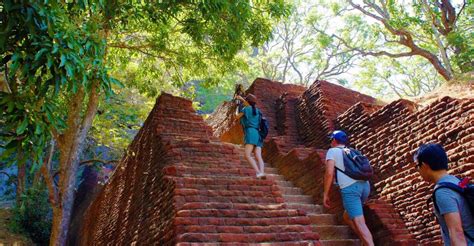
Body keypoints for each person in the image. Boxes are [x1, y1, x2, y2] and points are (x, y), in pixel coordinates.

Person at [414, 143, 474, 245]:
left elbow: (457, 233)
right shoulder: (456, 181)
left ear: (424, 165)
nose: (418, 171)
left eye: (417, 166)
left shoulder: (442, 192)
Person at [323, 130, 374, 246]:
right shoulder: (352, 151)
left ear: (334, 140)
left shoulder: (332, 151)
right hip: (365, 186)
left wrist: (325, 194)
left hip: (351, 189)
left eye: (331, 139)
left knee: (360, 222)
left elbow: (329, 173)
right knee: (347, 216)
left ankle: (369, 242)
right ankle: (364, 241)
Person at [235, 93, 265, 179]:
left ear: (247, 102)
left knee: (247, 155)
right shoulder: (258, 111)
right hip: (258, 134)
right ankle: (262, 172)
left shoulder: (246, 109)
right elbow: (249, 104)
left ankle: (258, 172)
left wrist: (238, 106)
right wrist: (242, 100)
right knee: (258, 156)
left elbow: (236, 117)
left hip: (250, 132)